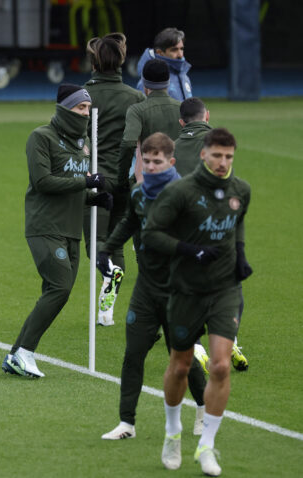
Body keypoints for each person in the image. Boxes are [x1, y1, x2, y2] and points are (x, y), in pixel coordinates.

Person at [142, 128, 252, 476]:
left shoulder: (241, 191)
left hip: (224, 289)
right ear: (203, 154)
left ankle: (206, 445)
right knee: (181, 366)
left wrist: (240, 255)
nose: (223, 163)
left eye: (229, 157)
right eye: (217, 155)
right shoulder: (180, 192)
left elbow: (238, 223)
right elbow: (151, 234)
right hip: (186, 290)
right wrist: (189, 250)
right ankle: (172, 433)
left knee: (220, 366)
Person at [97, 133, 206, 440]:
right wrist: (107, 249)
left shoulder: (187, 195)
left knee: (182, 357)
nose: (152, 166)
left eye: (158, 161)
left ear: (170, 162)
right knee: (133, 353)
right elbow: (129, 222)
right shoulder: (138, 193)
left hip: (178, 292)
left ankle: (202, 409)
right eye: (147, 161)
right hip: (146, 290)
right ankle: (126, 423)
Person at [2, 84, 113, 378]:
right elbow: (43, 182)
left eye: (88, 109)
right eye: (80, 108)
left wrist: (94, 198)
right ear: (65, 109)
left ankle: (16, 354)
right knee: (60, 287)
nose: (85, 114)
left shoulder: (86, 143)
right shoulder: (41, 137)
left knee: (56, 291)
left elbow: (75, 187)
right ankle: (25, 352)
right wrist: (86, 184)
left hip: (71, 228)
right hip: (44, 226)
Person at [174, 98, 249, 372]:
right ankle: (229, 342)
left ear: (181, 122)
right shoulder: (218, 145)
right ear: (207, 115)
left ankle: (196, 347)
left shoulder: (172, 146)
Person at [82, 33, 146, 326]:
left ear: (94, 63)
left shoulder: (83, 97)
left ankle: (108, 275)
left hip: (96, 179)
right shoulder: (135, 97)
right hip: (127, 180)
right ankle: (106, 311)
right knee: (117, 244)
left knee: (96, 242)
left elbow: (74, 140)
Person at [117, 59, 182, 190]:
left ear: (144, 84)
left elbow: (129, 143)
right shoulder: (182, 108)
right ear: (168, 82)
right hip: (177, 180)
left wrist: (122, 178)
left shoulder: (137, 110)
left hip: (149, 181)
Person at [135, 27, 192, 101]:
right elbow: (146, 111)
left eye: (181, 49)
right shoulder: (149, 81)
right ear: (160, 53)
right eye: (174, 50)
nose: (180, 55)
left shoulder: (184, 76)